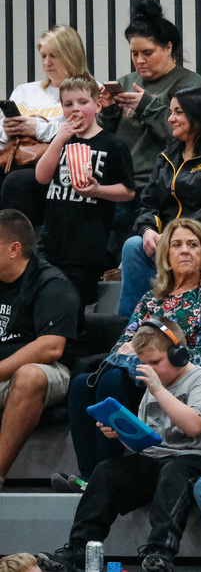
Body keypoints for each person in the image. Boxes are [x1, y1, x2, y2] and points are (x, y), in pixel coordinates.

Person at [38, 318, 201, 572]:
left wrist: (159, 391)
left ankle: (159, 553)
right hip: (159, 459)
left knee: (174, 470)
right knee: (106, 471)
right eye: (144, 363)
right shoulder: (153, 389)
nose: (148, 370)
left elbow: (195, 427)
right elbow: (145, 445)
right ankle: (79, 550)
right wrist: (120, 434)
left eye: (155, 362)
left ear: (178, 355)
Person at [64, 217, 201, 482]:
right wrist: (133, 355)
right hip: (139, 371)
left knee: (111, 380)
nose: (185, 251)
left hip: (178, 377)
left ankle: (103, 477)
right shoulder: (151, 299)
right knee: (81, 384)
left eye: (192, 245)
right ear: (166, 255)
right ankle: (88, 478)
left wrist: (160, 360)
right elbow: (123, 344)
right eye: (176, 245)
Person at [118, 84, 201, 316]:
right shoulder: (168, 156)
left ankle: (174, 323)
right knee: (133, 246)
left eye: (178, 112)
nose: (170, 118)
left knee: (184, 250)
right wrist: (147, 230)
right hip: (175, 239)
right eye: (171, 112)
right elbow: (148, 202)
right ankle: (134, 328)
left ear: (200, 116)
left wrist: (172, 236)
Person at [35, 74, 135, 315]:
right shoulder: (61, 141)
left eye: (83, 102)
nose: (75, 109)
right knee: (46, 304)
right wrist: (60, 137)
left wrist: (98, 190)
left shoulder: (113, 145)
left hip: (86, 247)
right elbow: (41, 176)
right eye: (68, 104)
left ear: (98, 105)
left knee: (74, 309)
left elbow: (128, 191)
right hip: (52, 242)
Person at [0, 209, 79, 491]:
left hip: (50, 372)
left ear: (14, 249)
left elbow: (51, 347)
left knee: (30, 376)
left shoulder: (51, 283)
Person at [97, 0, 201, 189]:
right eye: (134, 54)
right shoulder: (125, 82)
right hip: (119, 184)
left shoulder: (189, 83)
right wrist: (107, 111)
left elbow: (191, 137)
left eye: (147, 53)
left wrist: (147, 107)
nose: (140, 60)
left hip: (166, 185)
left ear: (168, 47)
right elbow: (102, 137)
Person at [0, 25, 91, 225]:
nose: (47, 63)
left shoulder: (88, 91)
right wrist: (7, 130)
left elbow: (81, 132)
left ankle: (15, 241)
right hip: (15, 157)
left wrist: (37, 128)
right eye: (43, 56)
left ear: (70, 55)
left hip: (58, 166)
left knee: (16, 181)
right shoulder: (24, 91)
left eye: (54, 56)